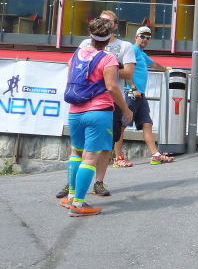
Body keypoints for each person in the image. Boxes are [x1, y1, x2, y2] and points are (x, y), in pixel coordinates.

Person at [55, 10, 136, 199]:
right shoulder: (108, 57)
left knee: (80, 150)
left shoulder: (79, 52)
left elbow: (71, 78)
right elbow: (111, 86)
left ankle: (76, 191)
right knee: (91, 155)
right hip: (100, 108)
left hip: (76, 108)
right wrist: (125, 108)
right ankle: (78, 201)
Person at [113, 26, 174, 165]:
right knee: (121, 125)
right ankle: (118, 158)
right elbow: (123, 69)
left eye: (148, 37)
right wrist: (133, 87)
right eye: (142, 36)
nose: (145, 39)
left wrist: (165, 69)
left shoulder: (141, 54)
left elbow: (153, 64)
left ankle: (155, 155)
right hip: (130, 93)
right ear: (136, 37)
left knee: (147, 124)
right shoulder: (132, 50)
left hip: (140, 95)